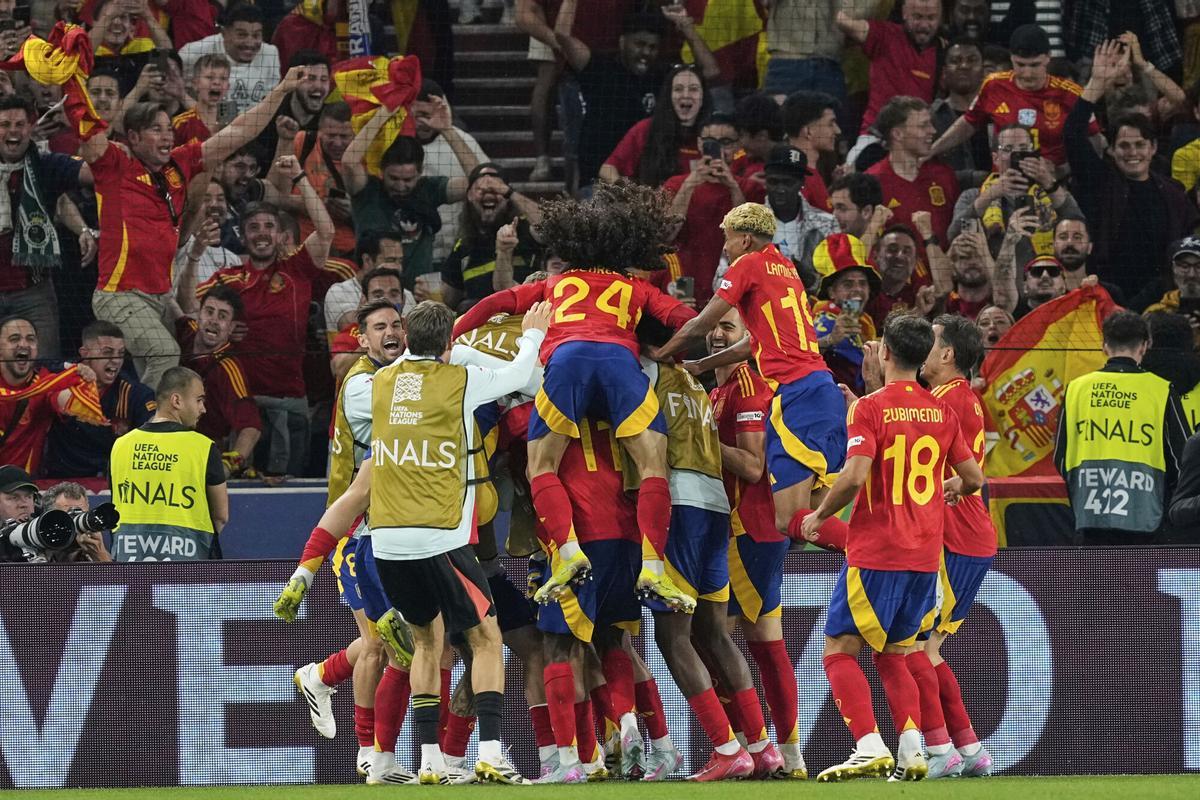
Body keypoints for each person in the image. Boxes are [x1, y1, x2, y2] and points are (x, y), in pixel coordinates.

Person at [451, 182, 699, 609]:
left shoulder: (556, 283)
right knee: (653, 465)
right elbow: (686, 319)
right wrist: (679, 345)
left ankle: (567, 554)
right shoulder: (633, 286)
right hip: (621, 366)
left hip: (566, 365)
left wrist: (453, 334)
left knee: (540, 465)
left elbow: (493, 303)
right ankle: (654, 569)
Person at [364, 300, 550, 784]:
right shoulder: (459, 381)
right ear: (449, 344)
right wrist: (531, 334)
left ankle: (429, 760)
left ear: (404, 337)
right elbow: (520, 377)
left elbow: (409, 366)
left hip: (386, 541)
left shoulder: (379, 383)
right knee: (487, 639)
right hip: (439, 538)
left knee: (427, 643)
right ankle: (490, 752)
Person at [800, 314, 983, 783]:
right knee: (896, 654)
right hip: (925, 555)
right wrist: (949, 490)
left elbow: (856, 475)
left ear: (884, 353)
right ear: (923, 358)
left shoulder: (871, 408)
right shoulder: (942, 410)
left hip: (879, 548)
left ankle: (867, 745)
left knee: (839, 649)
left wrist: (819, 517)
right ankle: (912, 752)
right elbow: (976, 478)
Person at [83, 65, 308, 390]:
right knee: (164, 353)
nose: (166, 136)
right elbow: (90, 139)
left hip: (161, 295)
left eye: (167, 129)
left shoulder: (180, 162)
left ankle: (135, 422)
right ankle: (144, 430)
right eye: (155, 130)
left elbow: (242, 130)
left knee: (175, 362)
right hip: (120, 295)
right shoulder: (116, 166)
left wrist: (283, 88)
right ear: (133, 137)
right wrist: (72, 78)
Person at [654, 203, 850, 550]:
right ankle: (893, 564)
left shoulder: (748, 264)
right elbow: (754, 342)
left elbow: (700, 324)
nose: (725, 250)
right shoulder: (786, 268)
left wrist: (659, 356)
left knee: (788, 519)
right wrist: (704, 365)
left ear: (744, 240)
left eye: (727, 242)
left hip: (798, 397)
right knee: (812, 518)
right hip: (823, 391)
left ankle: (884, 556)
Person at [634, 319, 777, 781]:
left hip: (680, 506)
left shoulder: (647, 371)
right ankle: (761, 746)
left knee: (671, 636)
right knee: (714, 634)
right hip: (716, 506)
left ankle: (725, 746)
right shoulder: (696, 383)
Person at [706, 306, 808, 780]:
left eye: (728, 327)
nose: (716, 335)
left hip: (749, 529)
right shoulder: (721, 389)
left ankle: (753, 747)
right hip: (743, 530)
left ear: (748, 337)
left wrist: (697, 437)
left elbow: (751, 466)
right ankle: (783, 755)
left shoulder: (748, 386)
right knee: (762, 642)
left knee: (709, 636)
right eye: (713, 326)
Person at [196, 157, 344, 480]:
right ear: (243, 235)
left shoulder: (297, 270)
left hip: (290, 399)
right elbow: (191, 316)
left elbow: (327, 230)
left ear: (279, 235)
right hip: (242, 405)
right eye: (253, 227)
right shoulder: (227, 279)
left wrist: (301, 177)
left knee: (291, 487)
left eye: (269, 227)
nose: (261, 234)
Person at [910, 315, 996, 779]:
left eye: (932, 341)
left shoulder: (948, 402)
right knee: (927, 648)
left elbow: (959, 475)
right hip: (963, 538)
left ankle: (942, 747)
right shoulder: (954, 398)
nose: (923, 347)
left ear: (947, 355)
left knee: (917, 649)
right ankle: (968, 748)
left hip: (956, 540)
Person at [1068, 41, 1200, 304]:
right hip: (1108, 296)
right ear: (1113, 150)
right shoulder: (1099, 181)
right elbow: (1072, 134)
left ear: (1152, 148)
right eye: (1124, 146)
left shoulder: (1172, 191)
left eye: (1140, 144)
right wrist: (1097, 81)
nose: (1132, 152)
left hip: (1161, 298)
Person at [1054, 311, 1189, 546]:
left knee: (1094, 583)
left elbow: (1060, 456)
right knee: (1139, 583)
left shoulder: (1076, 389)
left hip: (1089, 516)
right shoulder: (1161, 389)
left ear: (1105, 346)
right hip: (1146, 517)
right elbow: (1183, 459)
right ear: (1145, 346)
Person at [344, 100, 479, 290]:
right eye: (393, 178)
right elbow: (349, 161)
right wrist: (384, 114)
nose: (400, 186)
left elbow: (478, 182)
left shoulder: (429, 189)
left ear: (420, 171)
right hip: (370, 290)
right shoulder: (367, 190)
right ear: (382, 171)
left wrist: (447, 130)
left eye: (408, 180)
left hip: (419, 295)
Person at [0, 94, 93, 361]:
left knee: (45, 369)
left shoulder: (45, 166)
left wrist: (84, 126)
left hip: (34, 293)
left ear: (31, 127)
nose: (13, 131)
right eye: (5, 124)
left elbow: (91, 173)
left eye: (20, 124)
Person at [930, 24, 1098, 167]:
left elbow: (1096, 141)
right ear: (1011, 59)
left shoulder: (1071, 93)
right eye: (1020, 65)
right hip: (1003, 185)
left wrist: (1064, 170)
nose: (1027, 74)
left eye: (1034, 65)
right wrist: (932, 151)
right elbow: (968, 123)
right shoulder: (993, 85)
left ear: (1048, 58)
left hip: (1056, 186)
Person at [109, 366, 229, 561]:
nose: (203, 408)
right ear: (176, 401)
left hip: (130, 563)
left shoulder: (120, 446)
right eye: (199, 400)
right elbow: (221, 516)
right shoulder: (203, 447)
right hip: (189, 568)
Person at [556, 5, 667, 189]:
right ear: (622, 42)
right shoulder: (599, 68)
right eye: (639, 44)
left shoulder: (661, 78)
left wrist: (687, 29)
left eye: (652, 47)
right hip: (598, 185)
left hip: (644, 189)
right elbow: (562, 35)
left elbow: (711, 72)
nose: (646, 52)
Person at [42, 320, 156, 478]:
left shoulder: (135, 395)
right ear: (85, 353)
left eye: (121, 353)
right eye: (107, 352)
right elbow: (36, 367)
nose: (116, 360)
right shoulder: (61, 381)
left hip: (109, 479)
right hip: (61, 477)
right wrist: (66, 367)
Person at [664, 114, 755, 306]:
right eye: (711, 143)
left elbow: (750, 240)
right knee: (682, 328)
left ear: (738, 146)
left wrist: (732, 186)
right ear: (699, 144)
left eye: (726, 142)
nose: (719, 150)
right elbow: (666, 235)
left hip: (730, 285)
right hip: (682, 282)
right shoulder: (676, 184)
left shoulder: (748, 188)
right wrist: (690, 184)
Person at [836, 0, 943, 164]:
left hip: (918, 141)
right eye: (918, 17)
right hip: (875, 137)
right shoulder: (885, 35)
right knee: (854, 166)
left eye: (931, 18)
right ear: (904, 14)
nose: (924, 24)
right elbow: (842, 21)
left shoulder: (943, 50)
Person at [949, 124, 1081, 251]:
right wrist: (988, 196)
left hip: (1045, 271)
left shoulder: (1052, 193)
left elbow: (1079, 229)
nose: (1017, 155)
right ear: (995, 158)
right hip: (994, 271)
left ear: (1033, 154)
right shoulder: (973, 196)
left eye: (1023, 149)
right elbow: (956, 237)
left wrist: (1050, 185)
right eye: (1008, 149)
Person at [0, 316, 105, 474]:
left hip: (22, 488)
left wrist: (84, 386)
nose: (23, 344)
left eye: (31, 339)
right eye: (14, 339)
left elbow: (63, 399)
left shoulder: (46, 383)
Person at [176, 285, 261, 478]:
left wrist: (229, 465)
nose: (213, 321)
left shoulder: (229, 368)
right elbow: (176, 308)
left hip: (201, 455)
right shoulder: (187, 332)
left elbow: (252, 427)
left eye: (222, 316)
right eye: (209, 312)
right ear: (199, 315)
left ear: (231, 328)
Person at [441, 163, 544, 310]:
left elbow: (550, 224)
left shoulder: (526, 229)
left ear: (507, 196)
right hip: (478, 326)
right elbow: (449, 299)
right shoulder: (463, 245)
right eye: (481, 189)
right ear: (469, 195)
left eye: (497, 189)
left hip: (524, 315)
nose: (489, 194)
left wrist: (509, 192)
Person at [410, 81, 491, 264]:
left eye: (425, 115)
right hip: (413, 251)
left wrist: (446, 129)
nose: (419, 123)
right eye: (413, 116)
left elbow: (486, 183)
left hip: (456, 251)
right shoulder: (393, 144)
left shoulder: (461, 140)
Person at [598, 62, 714, 188]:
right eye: (678, 89)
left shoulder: (715, 133)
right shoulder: (646, 129)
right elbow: (607, 169)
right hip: (655, 205)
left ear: (703, 96)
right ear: (669, 96)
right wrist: (630, 194)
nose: (685, 95)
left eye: (693, 89)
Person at [866, 97, 959, 246]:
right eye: (923, 126)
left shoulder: (944, 175)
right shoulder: (872, 182)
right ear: (897, 134)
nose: (933, 131)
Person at [179, 2, 282, 118]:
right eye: (242, 35)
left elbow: (270, 104)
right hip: (204, 128)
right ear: (224, 33)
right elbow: (173, 88)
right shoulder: (193, 53)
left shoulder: (270, 54)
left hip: (254, 129)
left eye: (256, 35)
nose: (250, 43)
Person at [759, 144, 837, 286]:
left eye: (788, 183)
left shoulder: (826, 224)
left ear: (801, 183)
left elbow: (839, 280)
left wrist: (811, 281)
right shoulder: (747, 225)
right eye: (773, 182)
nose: (780, 189)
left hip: (810, 306)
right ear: (765, 182)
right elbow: (722, 281)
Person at [812, 234, 880, 392]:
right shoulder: (826, 321)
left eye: (862, 283)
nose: (857, 289)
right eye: (848, 284)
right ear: (832, 292)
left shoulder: (862, 323)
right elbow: (801, 355)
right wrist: (830, 340)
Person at [931, 37, 989, 182]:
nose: (964, 66)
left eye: (972, 60)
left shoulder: (1000, 114)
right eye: (956, 61)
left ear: (984, 70)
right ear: (944, 72)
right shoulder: (930, 118)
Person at [781, 91, 840, 211]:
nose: (838, 130)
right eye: (830, 124)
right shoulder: (795, 178)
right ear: (808, 131)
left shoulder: (807, 172)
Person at [1143, 237, 1200, 344]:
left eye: (1198, 266)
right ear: (1173, 268)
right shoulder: (1155, 314)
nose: (1192, 274)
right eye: (1184, 266)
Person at [44, 481, 113, 563]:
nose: (77, 523)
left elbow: (115, 575)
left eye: (82, 515)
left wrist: (100, 554)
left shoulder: (93, 545)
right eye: (70, 516)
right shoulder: (40, 551)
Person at [828, 173, 884, 241]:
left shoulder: (887, 249)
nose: (834, 215)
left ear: (866, 212)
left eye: (842, 209)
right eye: (834, 208)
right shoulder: (828, 246)